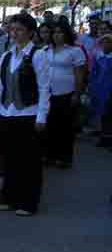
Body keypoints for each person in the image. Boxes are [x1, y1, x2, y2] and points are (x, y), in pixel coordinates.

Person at [0, 13, 51, 216]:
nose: (14, 33)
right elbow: (1, 85)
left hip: (28, 112)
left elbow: (44, 88)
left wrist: (42, 116)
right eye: (12, 29)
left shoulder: (38, 54)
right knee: (10, 158)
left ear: (30, 33)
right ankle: (9, 198)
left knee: (29, 160)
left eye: (19, 30)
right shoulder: (7, 55)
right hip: (8, 112)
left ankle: (28, 202)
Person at [44, 21, 86, 168]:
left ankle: (64, 158)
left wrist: (77, 93)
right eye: (54, 32)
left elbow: (79, 74)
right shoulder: (46, 50)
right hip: (48, 94)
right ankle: (49, 155)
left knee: (65, 127)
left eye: (60, 32)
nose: (56, 35)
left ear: (66, 34)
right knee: (50, 125)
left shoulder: (75, 51)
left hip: (67, 93)